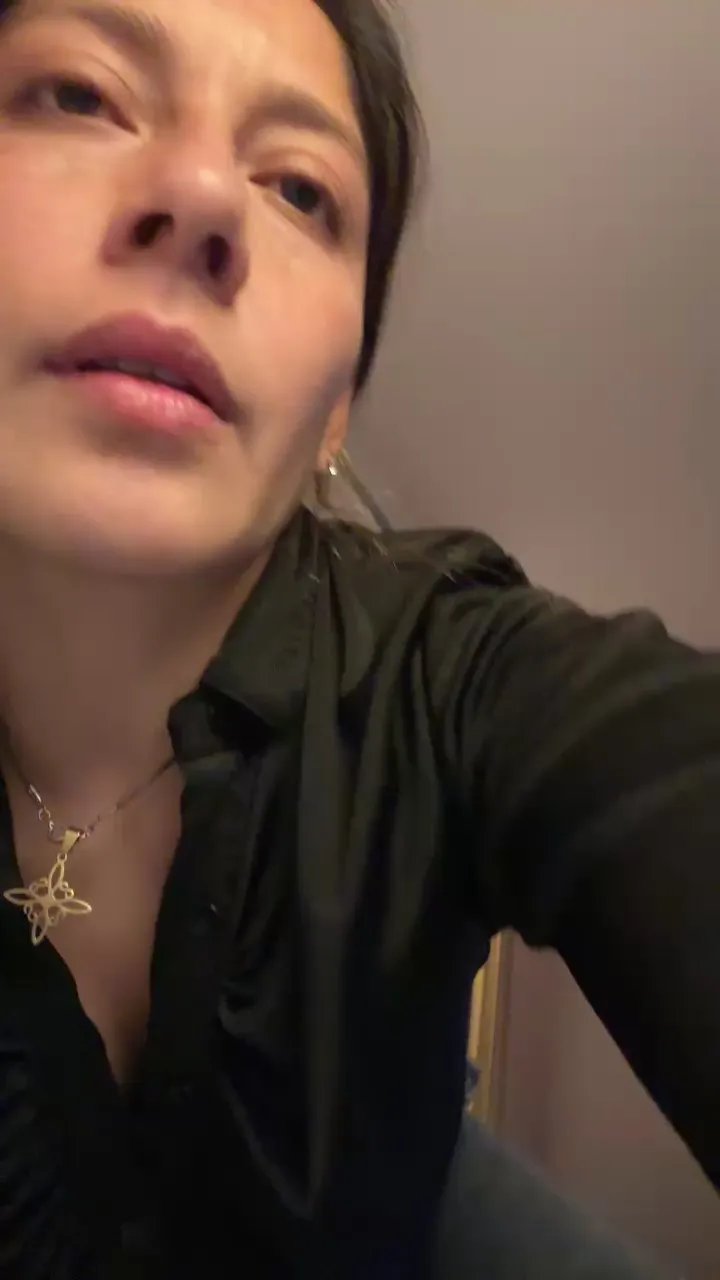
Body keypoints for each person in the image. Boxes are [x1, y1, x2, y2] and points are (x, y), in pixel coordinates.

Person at [0, 0, 716, 1276]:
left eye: (301, 189)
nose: (203, 198)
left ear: (337, 407)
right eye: (82, 95)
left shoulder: (453, 669)